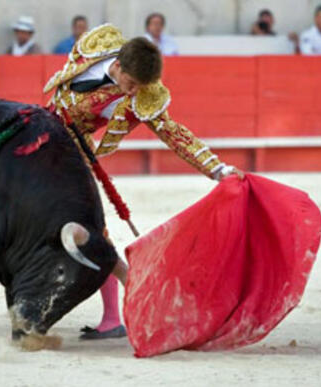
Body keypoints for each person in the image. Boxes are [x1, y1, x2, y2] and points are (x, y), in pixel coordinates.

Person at [44, 23, 242, 340]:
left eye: (140, 87)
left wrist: (218, 170)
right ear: (118, 64)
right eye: (131, 83)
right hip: (38, 130)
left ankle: (113, 315)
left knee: (91, 230)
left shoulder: (142, 97)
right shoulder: (97, 43)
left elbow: (175, 134)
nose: (134, 92)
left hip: (73, 154)